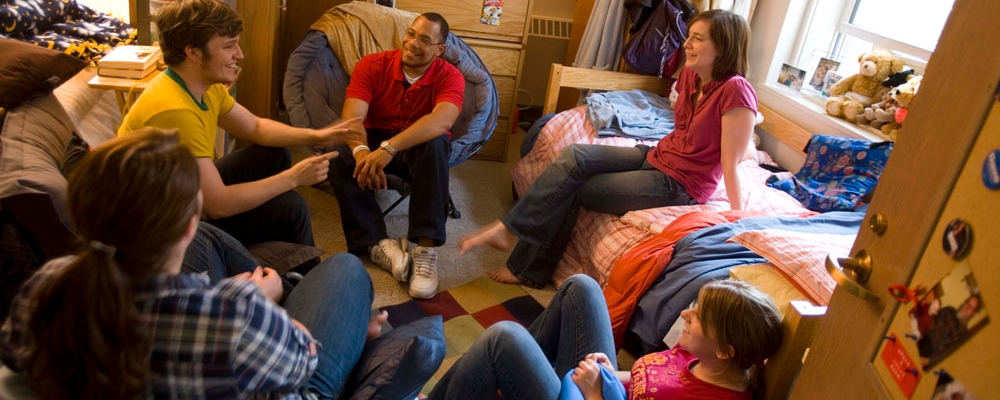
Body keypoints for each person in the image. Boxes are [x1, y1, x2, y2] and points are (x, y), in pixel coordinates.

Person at [0, 129, 398, 399]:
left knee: (242, 262)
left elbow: (16, 354)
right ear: (191, 221)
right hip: (281, 368)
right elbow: (303, 360)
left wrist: (236, 299)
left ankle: (294, 289)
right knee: (345, 268)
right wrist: (259, 304)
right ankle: (337, 319)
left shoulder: (47, 283)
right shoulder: (233, 319)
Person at [460, 10, 757, 288]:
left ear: (724, 46)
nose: (687, 43)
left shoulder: (736, 91)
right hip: (655, 155)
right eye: (690, 35)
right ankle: (508, 228)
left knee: (576, 187)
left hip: (680, 183)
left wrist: (737, 220)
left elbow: (731, 162)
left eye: (698, 38)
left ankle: (527, 268)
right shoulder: (691, 75)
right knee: (575, 155)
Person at [118, 0, 362, 249]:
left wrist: (319, 135)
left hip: (183, 194)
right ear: (193, 52)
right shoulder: (175, 111)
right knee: (292, 208)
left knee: (273, 154)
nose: (239, 54)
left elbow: (256, 127)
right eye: (228, 46)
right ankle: (298, 280)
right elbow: (218, 205)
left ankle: (259, 252)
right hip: (163, 225)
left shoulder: (199, 84)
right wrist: (294, 178)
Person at [427, 277, 783, 400]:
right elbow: (650, 379)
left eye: (699, 317)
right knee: (581, 287)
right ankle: (508, 374)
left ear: (725, 350)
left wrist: (597, 393)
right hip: (605, 388)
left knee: (502, 338)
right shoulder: (699, 356)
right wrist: (611, 373)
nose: (685, 315)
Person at [328, 12, 464, 299]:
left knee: (437, 143)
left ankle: (425, 251)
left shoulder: (451, 76)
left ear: (440, 49)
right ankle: (377, 243)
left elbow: (442, 120)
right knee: (338, 152)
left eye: (425, 40)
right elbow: (352, 119)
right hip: (374, 136)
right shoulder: (372, 65)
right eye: (411, 34)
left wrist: (389, 149)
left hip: (419, 144)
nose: (413, 43)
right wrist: (365, 153)